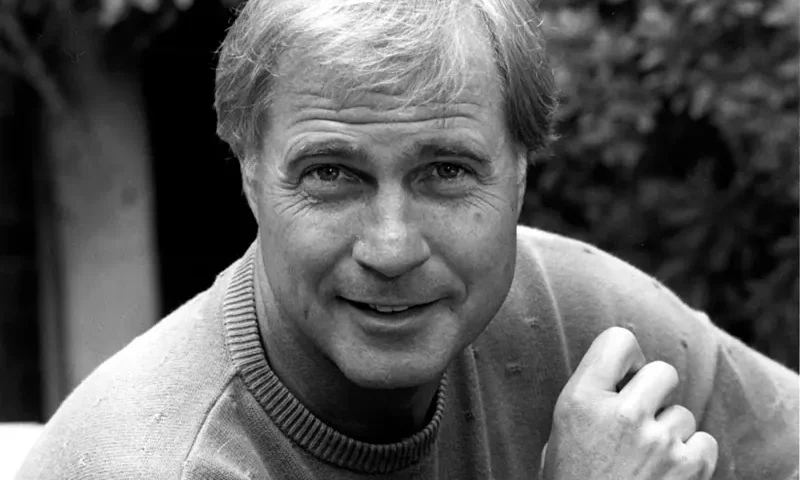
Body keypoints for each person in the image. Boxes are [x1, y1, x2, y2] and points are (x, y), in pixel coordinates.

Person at [15, 0, 798, 479]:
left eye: (446, 170)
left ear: (521, 173)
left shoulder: (572, 316)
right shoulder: (160, 464)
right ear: (249, 173)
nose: (391, 248)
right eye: (332, 174)